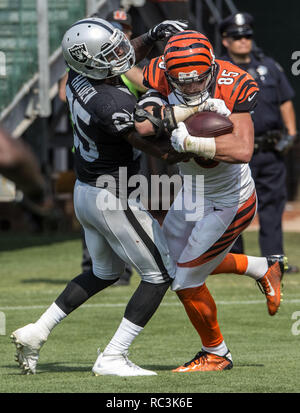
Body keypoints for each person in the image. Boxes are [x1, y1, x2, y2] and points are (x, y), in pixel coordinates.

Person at [10, 17, 188, 377]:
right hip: (114, 197)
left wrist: (151, 36)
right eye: (111, 51)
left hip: (87, 193)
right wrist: (185, 140)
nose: (123, 53)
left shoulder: (77, 78)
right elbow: (144, 137)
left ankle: (37, 330)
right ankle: (112, 357)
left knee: (104, 273)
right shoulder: (109, 101)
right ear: (92, 61)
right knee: (160, 274)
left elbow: (119, 58)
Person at [134, 29, 286, 372]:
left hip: (229, 200)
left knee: (187, 280)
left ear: (212, 67)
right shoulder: (158, 70)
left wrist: (191, 144)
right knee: (172, 266)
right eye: (180, 80)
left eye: (197, 78)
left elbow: (244, 149)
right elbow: (124, 66)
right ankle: (262, 267)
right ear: (168, 71)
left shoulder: (235, 81)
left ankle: (217, 353)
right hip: (191, 191)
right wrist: (149, 40)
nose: (189, 86)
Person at [219, 12, 299, 274]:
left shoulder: (270, 67)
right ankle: (236, 261)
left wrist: (291, 132)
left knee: (273, 206)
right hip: (237, 151)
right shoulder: (220, 71)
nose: (243, 41)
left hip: (269, 149)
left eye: (247, 36)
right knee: (234, 206)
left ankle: (274, 261)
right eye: (237, 37)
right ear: (226, 40)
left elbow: (285, 100)